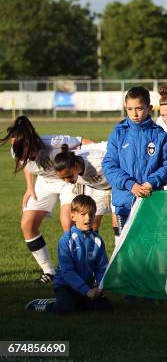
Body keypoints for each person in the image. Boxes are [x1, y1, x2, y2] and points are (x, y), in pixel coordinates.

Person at [0, 116, 88, 283]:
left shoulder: (53, 143)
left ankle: (75, 270)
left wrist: (91, 167)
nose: (22, 154)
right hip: (44, 181)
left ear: (32, 142)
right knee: (27, 224)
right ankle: (49, 272)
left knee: (68, 223)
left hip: (67, 180)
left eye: (26, 150)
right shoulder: (17, 149)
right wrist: (29, 187)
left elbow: (83, 141)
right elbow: (26, 164)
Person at [102, 86, 167, 231]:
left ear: (149, 108)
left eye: (139, 108)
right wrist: (130, 185)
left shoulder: (160, 136)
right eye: (129, 109)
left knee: (149, 249)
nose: (134, 114)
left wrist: (151, 182)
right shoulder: (118, 134)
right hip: (124, 202)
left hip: (152, 202)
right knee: (127, 251)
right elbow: (109, 166)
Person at [25, 195, 112, 314]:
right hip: (66, 285)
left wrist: (100, 287)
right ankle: (47, 304)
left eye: (91, 214)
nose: (87, 218)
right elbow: (67, 272)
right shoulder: (66, 240)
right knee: (64, 310)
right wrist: (86, 291)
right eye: (83, 214)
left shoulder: (97, 240)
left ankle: (79, 301)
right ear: (73, 216)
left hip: (87, 285)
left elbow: (101, 267)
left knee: (104, 308)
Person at [53, 143, 113, 234]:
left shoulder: (99, 162)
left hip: (117, 186)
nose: (66, 180)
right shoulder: (67, 165)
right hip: (97, 188)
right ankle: (92, 247)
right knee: (91, 223)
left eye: (69, 176)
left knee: (119, 222)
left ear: (76, 166)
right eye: (63, 178)